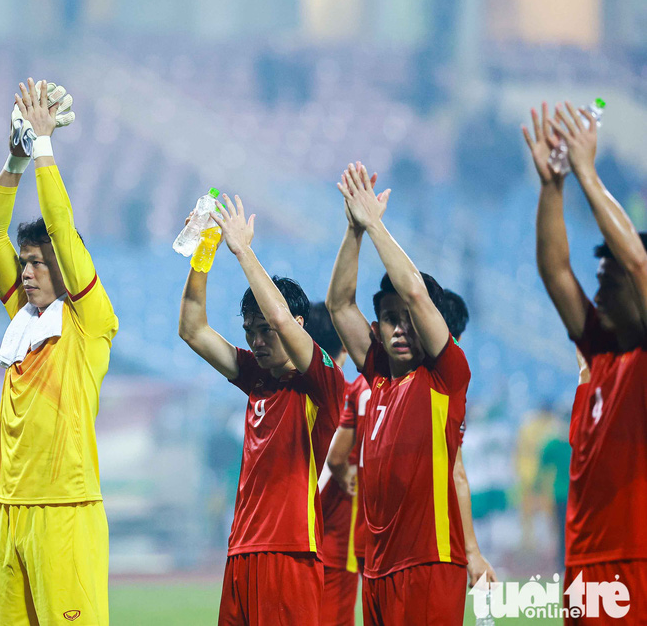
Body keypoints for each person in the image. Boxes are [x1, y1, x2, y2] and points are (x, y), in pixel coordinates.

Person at [0, 79, 117, 626]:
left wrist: (43, 146)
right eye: (25, 261)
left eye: (38, 262)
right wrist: (13, 162)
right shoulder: (24, 320)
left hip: (67, 510)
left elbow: (61, 225)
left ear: (66, 267)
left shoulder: (89, 322)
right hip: (8, 508)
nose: (26, 270)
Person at [326, 163, 495, 624]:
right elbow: (340, 304)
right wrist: (353, 229)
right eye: (388, 318)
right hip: (377, 567)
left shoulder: (446, 375)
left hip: (429, 563)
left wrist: (376, 225)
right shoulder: (377, 374)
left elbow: (418, 294)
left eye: (408, 317)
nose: (400, 328)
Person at [179, 194, 345, 625]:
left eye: (264, 330)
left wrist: (243, 250)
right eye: (250, 331)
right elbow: (192, 328)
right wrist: (205, 249)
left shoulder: (321, 384)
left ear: (298, 326)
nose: (256, 341)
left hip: (290, 553)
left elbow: (285, 322)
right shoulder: (255, 377)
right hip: (240, 552)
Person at [524, 100, 647, 623]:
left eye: (608, 276)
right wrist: (553, 186)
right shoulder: (600, 355)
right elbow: (555, 272)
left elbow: (638, 261)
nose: (597, 283)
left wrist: (587, 173)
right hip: (583, 566)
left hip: (632, 564)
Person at [310, 302, 369, 626]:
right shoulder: (354, 398)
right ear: (345, 343)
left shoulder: (293, 393)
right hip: (337, 540)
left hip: (298, 537)